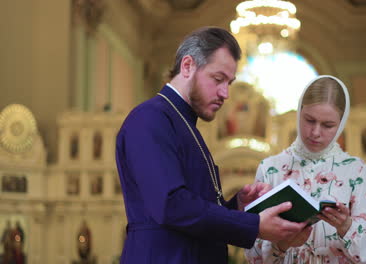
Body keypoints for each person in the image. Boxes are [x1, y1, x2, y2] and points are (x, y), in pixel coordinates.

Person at [115, 26, 307, 263]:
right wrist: (254, 225)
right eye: (218, 79)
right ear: (187, 66)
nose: (225, 93)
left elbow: (196, 210)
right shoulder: (150, 118)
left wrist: (237, 206)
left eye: (229, 82)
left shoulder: (184, 124)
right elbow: (171, 205)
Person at [245, 75, 366, 263]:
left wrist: (346, 226)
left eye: (328, 125)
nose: (315, 132)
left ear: (341, 124)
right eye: (309, 120)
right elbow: (252, 254)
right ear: (299, 111)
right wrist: (282, 244)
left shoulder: (355, 171)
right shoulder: (270, 169)